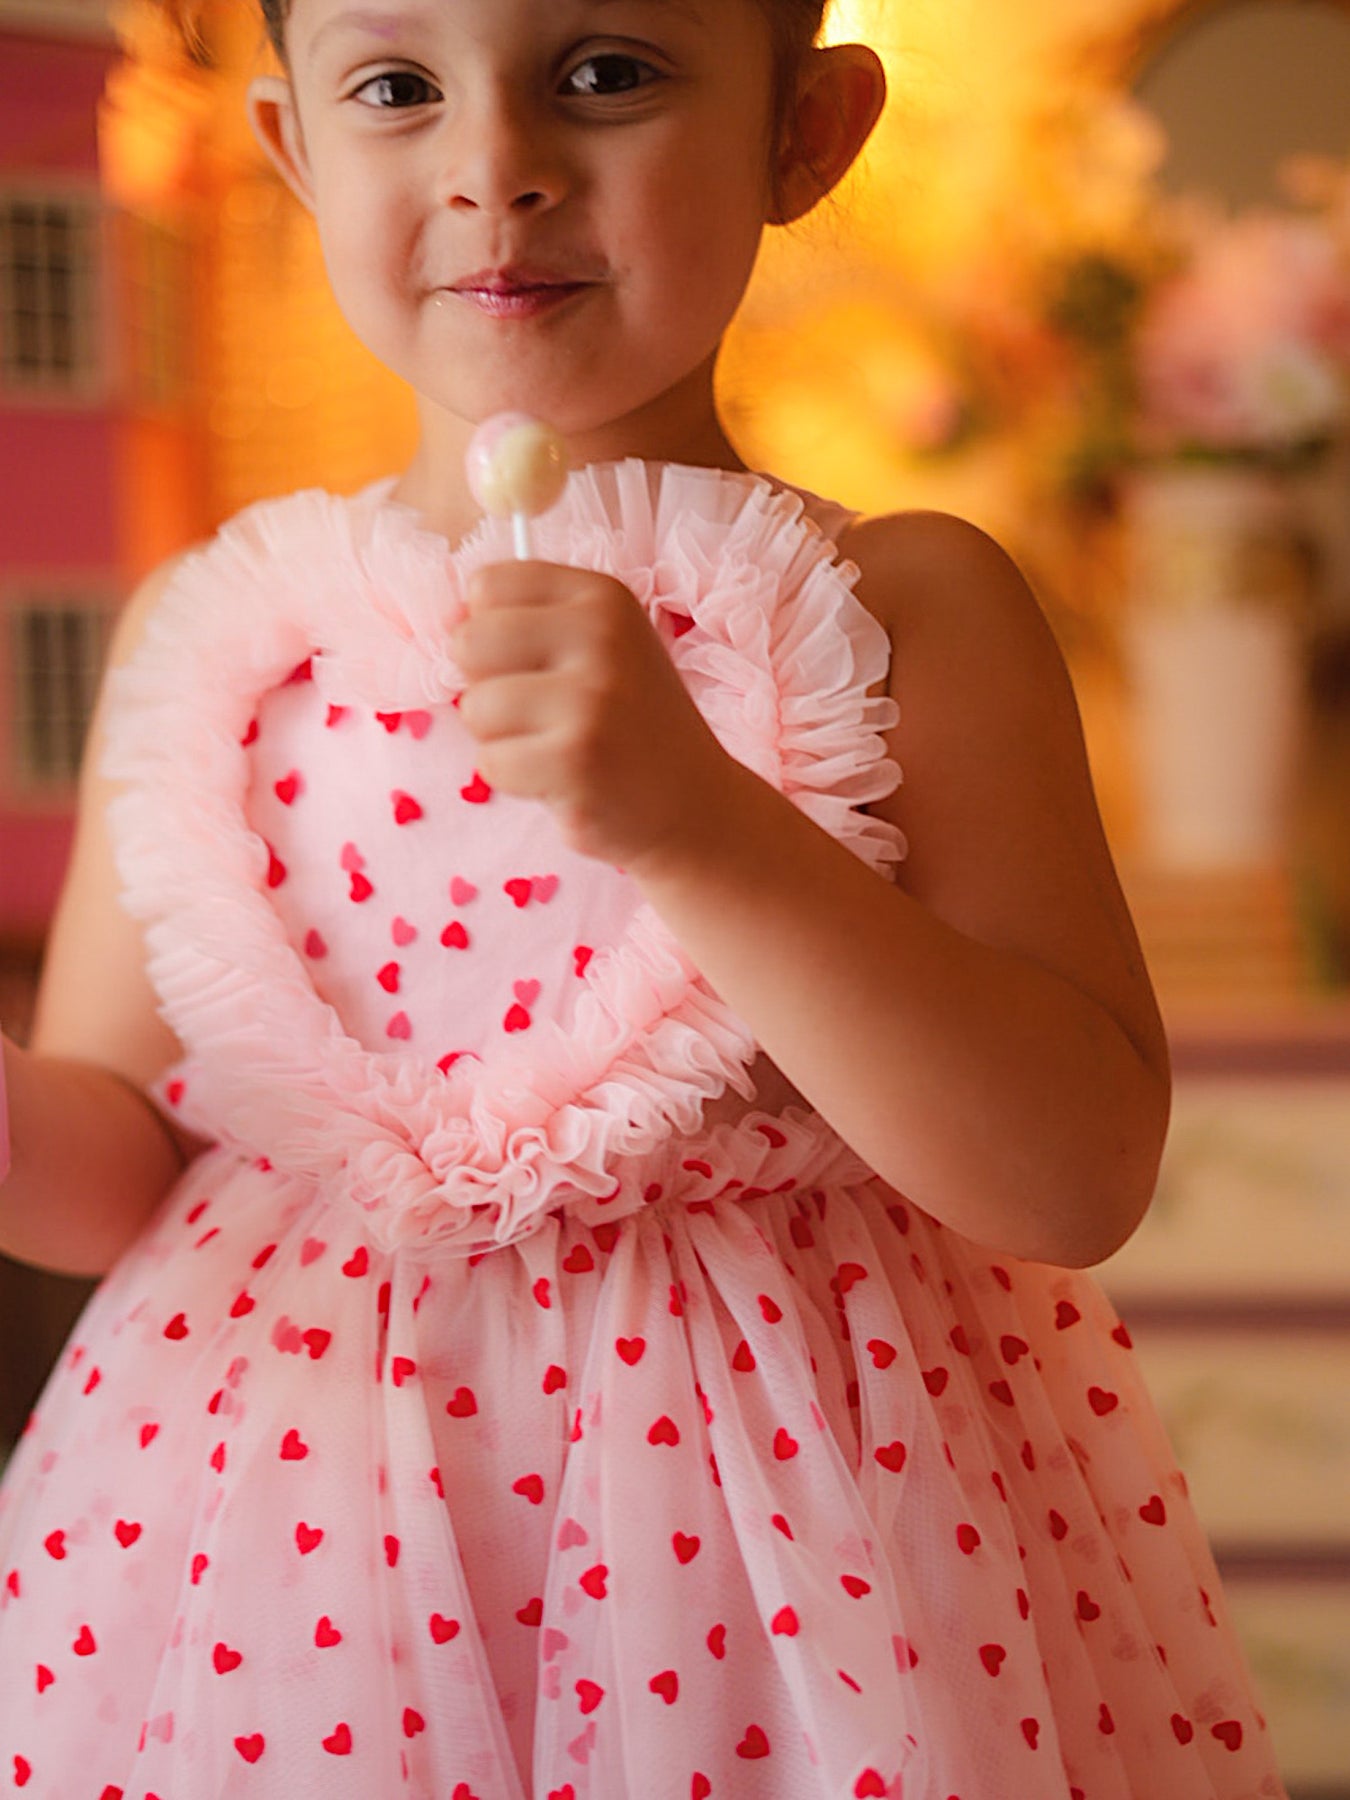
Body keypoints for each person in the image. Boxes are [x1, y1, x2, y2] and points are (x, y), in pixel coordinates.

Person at [0, 2, 1287, 1796]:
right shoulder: (223, 640)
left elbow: (1072, 1178)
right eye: (398, 88)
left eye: (604, 72)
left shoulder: (902, 608)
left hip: (792, 1560)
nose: (494, 167)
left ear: (803, 130)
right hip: (285, 1573)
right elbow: (115, 1170)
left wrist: (700, 826)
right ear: (293, 150)